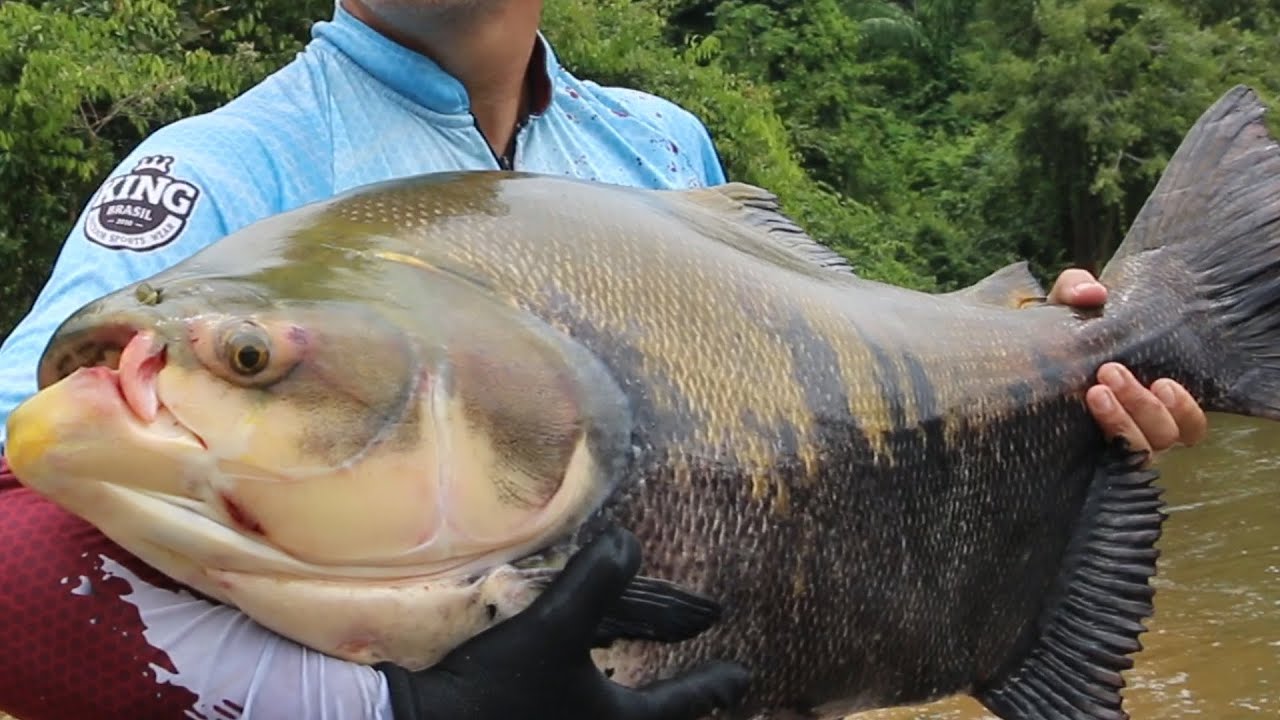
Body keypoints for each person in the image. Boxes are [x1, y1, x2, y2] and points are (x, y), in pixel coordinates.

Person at [0, 1, 1208, 718]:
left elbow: (848, 408)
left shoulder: (658, 140)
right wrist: (399, 712)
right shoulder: (222, 172)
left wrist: (1052, 360)